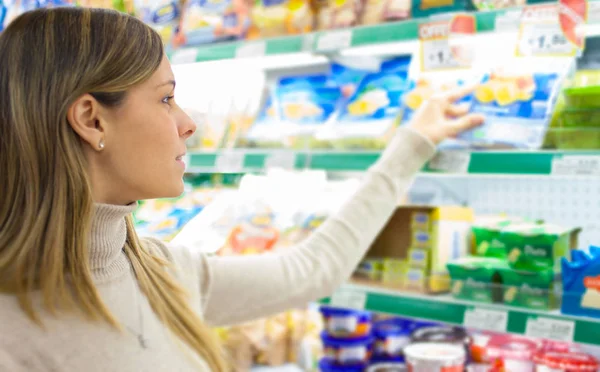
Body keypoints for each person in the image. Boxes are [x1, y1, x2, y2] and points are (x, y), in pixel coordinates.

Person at [0, 7, 484, 372]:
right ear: (91, 118)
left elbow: (310, 270)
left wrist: (412, 144)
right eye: (166, 98)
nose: (188, 124)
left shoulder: (160, 271)